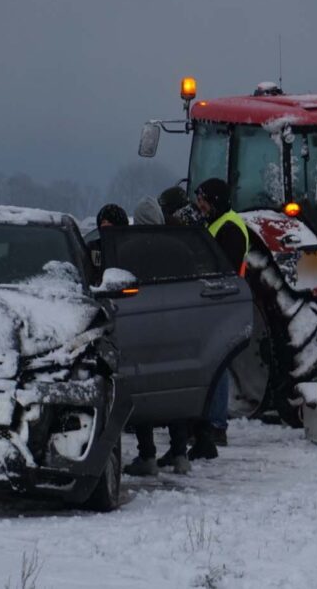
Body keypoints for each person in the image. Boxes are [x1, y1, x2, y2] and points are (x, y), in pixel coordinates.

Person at [122, 197, 192, 477]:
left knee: (144, 389)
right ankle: (180, 454)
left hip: (144, 326)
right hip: (178, 326)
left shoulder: (128, 250)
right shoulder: (182, 247)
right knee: (174, 388)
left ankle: (147, 455)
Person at [189, 177, 249, 459]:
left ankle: (216, 423)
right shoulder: (214, 223)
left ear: (215, 201)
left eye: (203, 201)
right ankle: (204, 421)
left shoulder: (231, 228)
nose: (199, 206)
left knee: (218, 363)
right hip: (211, 300)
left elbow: (222, 266)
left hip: (222, 300)